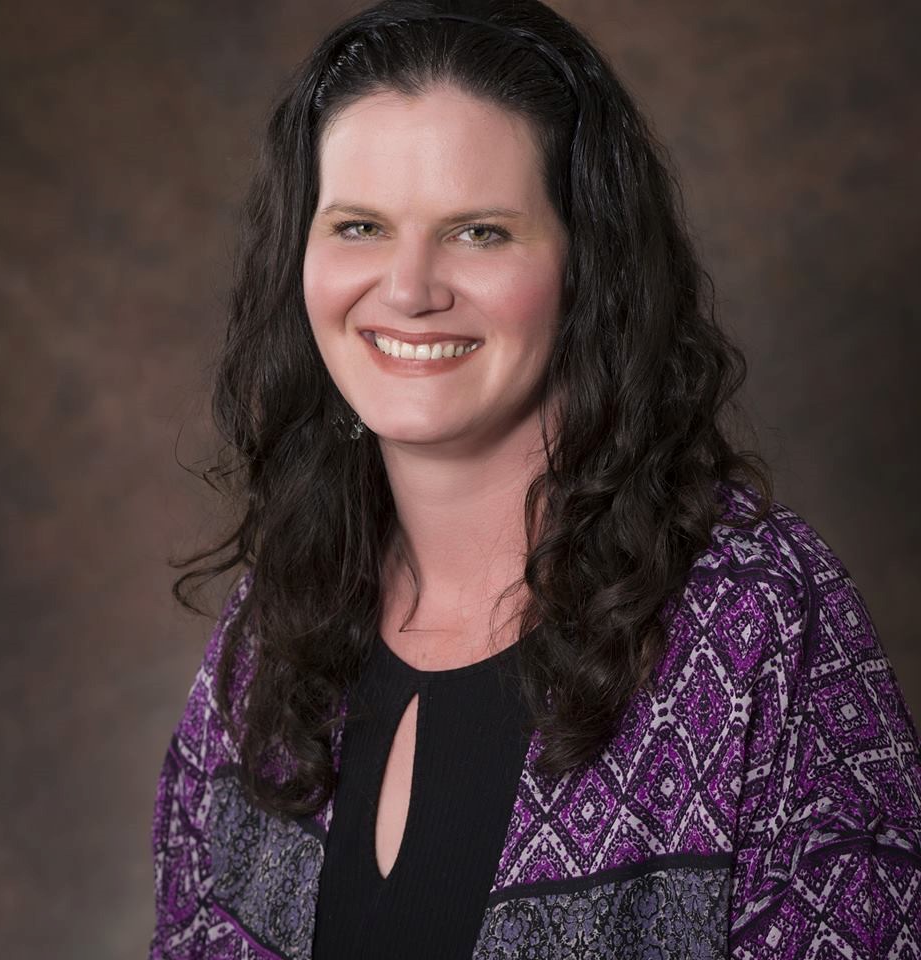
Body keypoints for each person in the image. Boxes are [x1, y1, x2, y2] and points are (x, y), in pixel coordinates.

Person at [149, 1, 921, 957]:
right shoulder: (268, 639)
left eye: (479, 232)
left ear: (587, 267)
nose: (407, 289)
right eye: (358, 226)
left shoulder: (761, 621)